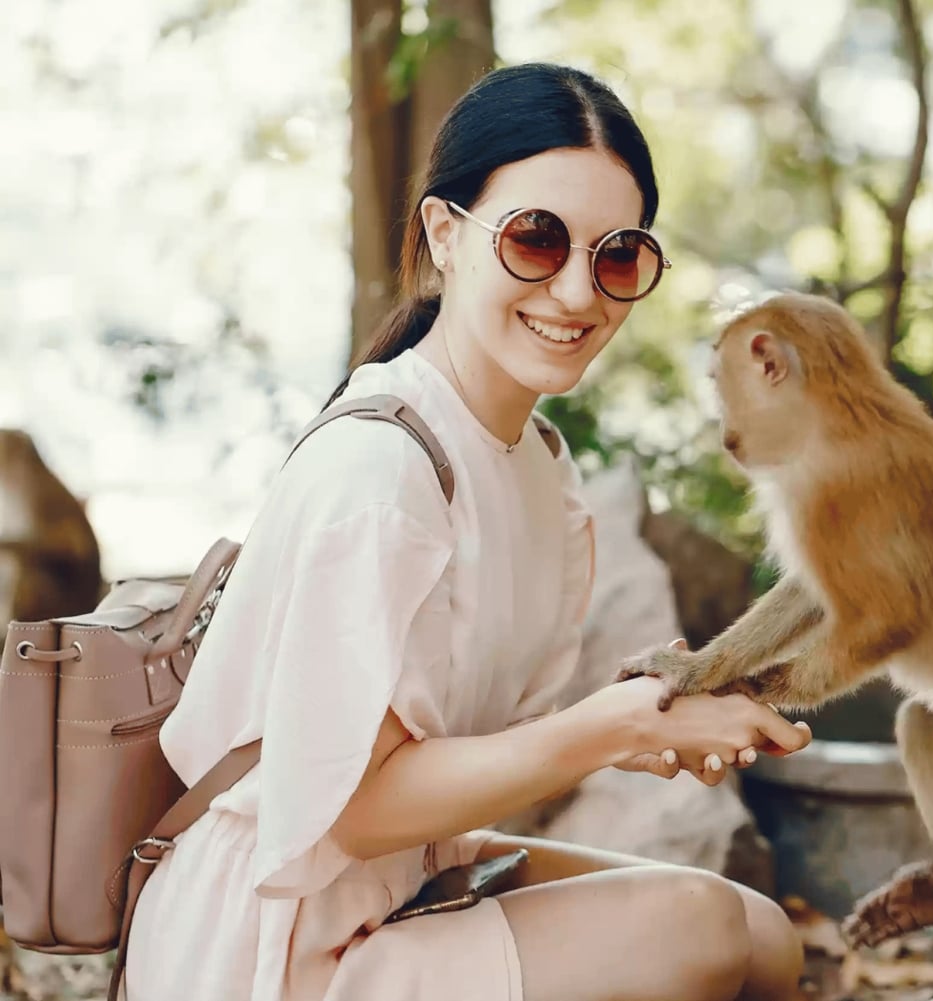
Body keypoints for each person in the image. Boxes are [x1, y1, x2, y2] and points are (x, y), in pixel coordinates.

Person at [123, 62, 814, 1001]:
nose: (576, 293)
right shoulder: (378, 471)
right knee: (696, 928)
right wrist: (606, 732)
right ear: (446, 234)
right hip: (271, 939)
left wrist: (651, 719)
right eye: (536, 240)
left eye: (614, 256)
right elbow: (356, 810)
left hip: (400, 884)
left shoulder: (537, 466)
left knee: (763, 934)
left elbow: (467, 747)